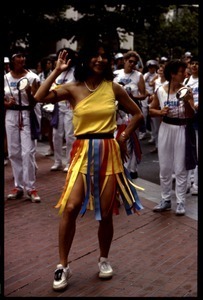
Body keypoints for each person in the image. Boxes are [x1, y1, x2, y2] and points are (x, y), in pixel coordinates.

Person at [34, 40, 144, 291]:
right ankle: (62, 264)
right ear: (85, 59)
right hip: (82, 152)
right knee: (71, 207)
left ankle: (104, 258)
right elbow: (39, 97)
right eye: (95, 55)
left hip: (108, 151)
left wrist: (124, 136)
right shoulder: (72, 87)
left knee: (106, 212)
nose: (100, 59)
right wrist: (58, 70)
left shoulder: (114, 87)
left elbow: (137, 114)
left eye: (104, 56)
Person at [149, 59, 195, 216]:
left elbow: (191, 115)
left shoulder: (186, 90)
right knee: (165, 166)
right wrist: (160, 112)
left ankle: (181, 201)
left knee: (180, 167)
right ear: (172, 74)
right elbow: (151, 110)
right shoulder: (161, 91)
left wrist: (187, 102)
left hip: (182, 128)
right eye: (181, 72)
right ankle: (165, 199)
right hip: (166, 128)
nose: (184, 74)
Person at [4, 46, 41, 202]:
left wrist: (27, 92)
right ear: (12, 60)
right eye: (18, 56)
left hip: (26, 114)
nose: (21, 59)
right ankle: (18, 186)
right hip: (11, 114)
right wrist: (6, 103)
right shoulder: (5, 77)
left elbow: (35, 101)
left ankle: (31, 187)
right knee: (13, 152)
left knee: (28, 152)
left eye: (23, 56)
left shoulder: (33, 77)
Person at [113, 50, 146, 179]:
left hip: (133, 110)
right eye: (130, 61)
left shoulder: (138, 76)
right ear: (125, 61)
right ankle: (120, 164)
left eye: (134, 62)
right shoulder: (117, 74)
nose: (132, 64)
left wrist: (132, 96)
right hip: (118, 110)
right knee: (119, 136)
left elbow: (143, 95)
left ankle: (132, 168)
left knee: (133, 138)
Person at [50, 48, 77, 172]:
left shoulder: (75, 72)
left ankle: (69, 161)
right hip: (58, 107)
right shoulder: (57, 72)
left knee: (70, 135)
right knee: (56, 135)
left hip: (70, 107)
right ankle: (57, 161)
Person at [183, 56, 198, 196]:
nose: (194, 66)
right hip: (190, 116)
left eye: (197, 64)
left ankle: (196, 184)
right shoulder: (186, 81)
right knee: (188, 149)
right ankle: (188, 182)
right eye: (192, 63)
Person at [148, 63, 168, 153]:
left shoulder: (168, 82)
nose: (160, 72)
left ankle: (164, 146)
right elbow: (153, 91)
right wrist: (152, 96)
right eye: (159, 70)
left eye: (162, 70)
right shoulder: (157, 81)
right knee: (156, 128)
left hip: (164, 106)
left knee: (163, 127)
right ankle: (157, 146)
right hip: (156, 106)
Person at [38, 57, 54, 156]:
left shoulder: (53, 74)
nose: (50, 64)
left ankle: (53, 147)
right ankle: (50, 146)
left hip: (52, 102)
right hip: (43, 104)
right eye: (47, 63)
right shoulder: (39, 76)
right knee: (46, 125)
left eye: (50, 63)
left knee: (52, 126)